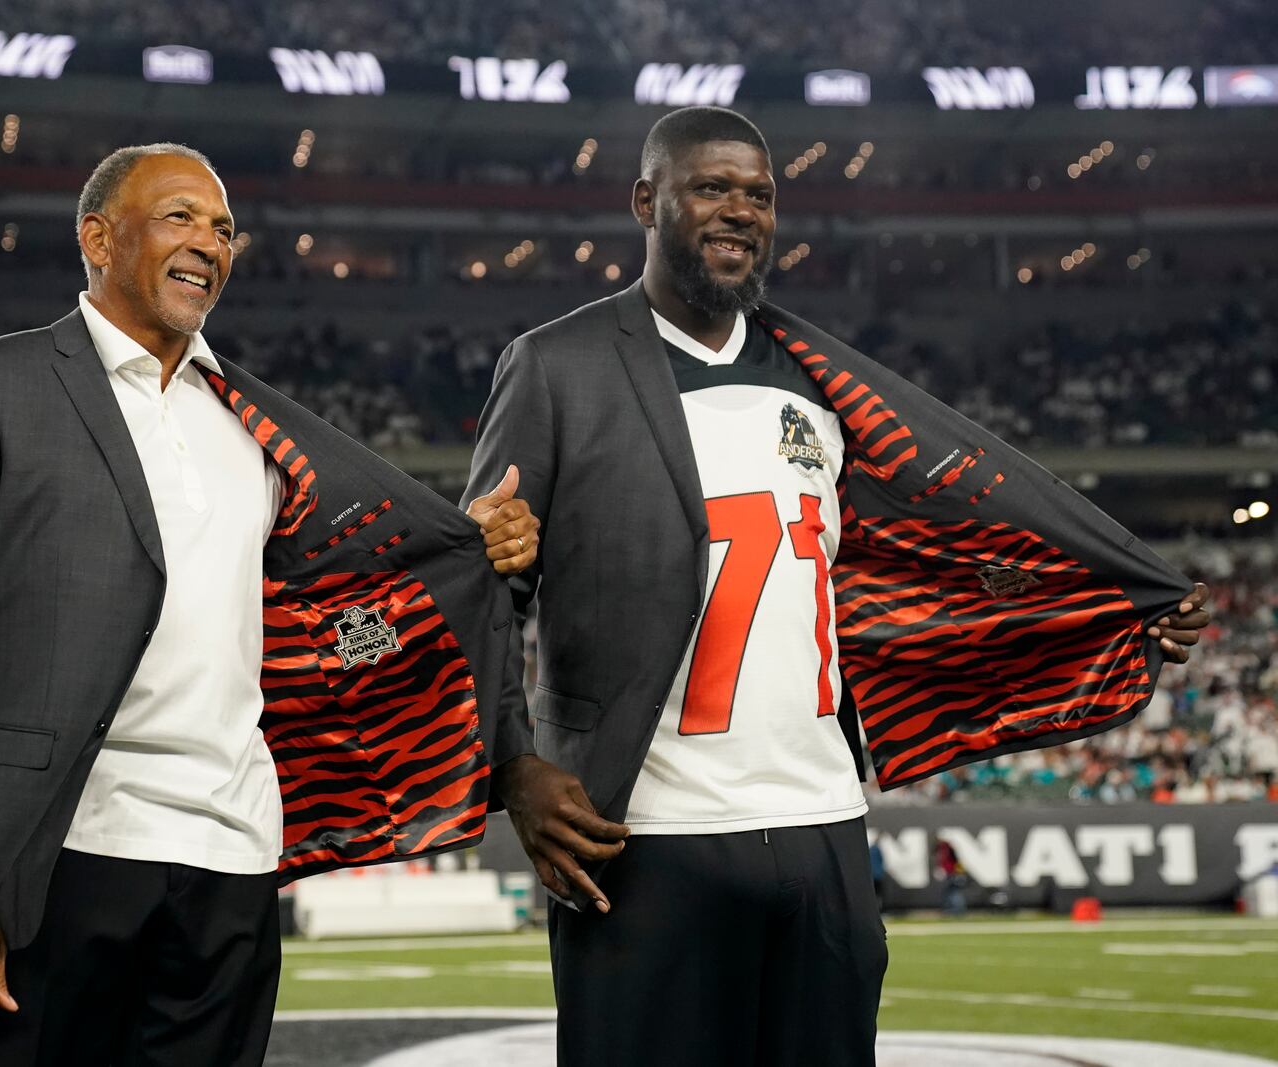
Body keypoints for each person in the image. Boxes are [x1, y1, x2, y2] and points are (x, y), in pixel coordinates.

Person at [463, 106, 1213, 1066]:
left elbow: (940, 559)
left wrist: (1120, 597)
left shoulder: (827, 383)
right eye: (712, 187)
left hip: (823, 828)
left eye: (760, 194)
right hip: (644, 836)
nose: (740, 210)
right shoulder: (556, 365)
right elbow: (487, 591)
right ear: (647, 201)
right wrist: (516, 770)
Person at [0, 143, 539, 1067]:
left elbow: (362, 582)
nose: (210, 242)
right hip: (65, 850)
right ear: (96, 237)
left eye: (224, 227)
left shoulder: (254, 423)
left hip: (232, 855)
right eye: (180, 215)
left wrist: (473, 543)